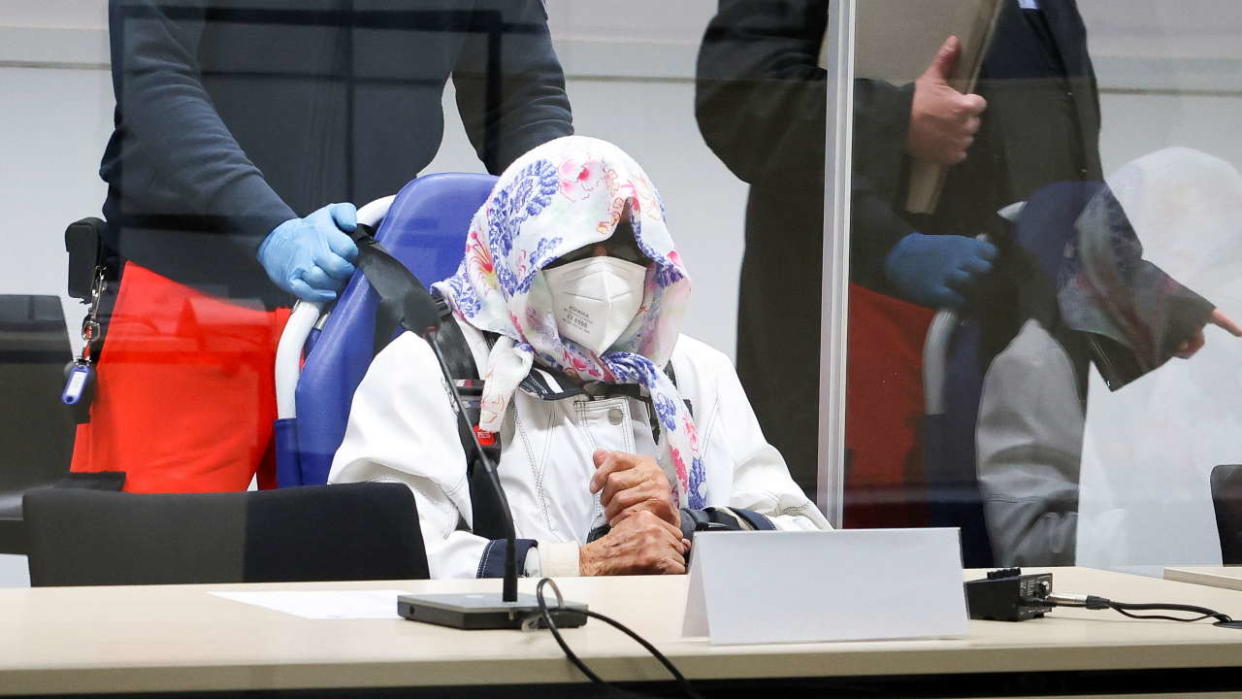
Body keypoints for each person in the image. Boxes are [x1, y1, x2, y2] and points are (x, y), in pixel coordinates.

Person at [70, 0, 573, 493]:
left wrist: (565, 219)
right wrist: (265, 226)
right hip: (185, 293)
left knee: (352, 562)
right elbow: (155, 76)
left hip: (358, 302)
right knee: (153, 556)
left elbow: (519, 95)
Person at [329, 136, 829, 579]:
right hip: (500, 670)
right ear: (517, 253)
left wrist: (687, 527)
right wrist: (580, 565)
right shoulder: (427, 368)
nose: (605, 275)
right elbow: (379, 559)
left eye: (626, 248)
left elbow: (805, 537)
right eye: (573, 251)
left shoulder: (694, 371)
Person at [695, 0, 1102, 533]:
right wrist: (897, 117)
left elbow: (1066, 147)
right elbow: (740, 98)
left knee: (1003, 562)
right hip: (862, 306)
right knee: (864, 573)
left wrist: (1125, 279)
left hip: (1016, 335)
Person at [975, 148, 1242, 566]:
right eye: (1188, 258)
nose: (1202, 285)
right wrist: (1208, 522)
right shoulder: (1042, 363)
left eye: (1224, 259)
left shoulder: (1222, 365)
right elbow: (1029, 547)